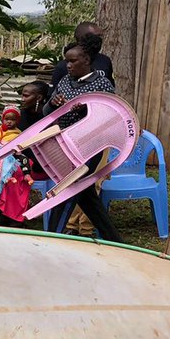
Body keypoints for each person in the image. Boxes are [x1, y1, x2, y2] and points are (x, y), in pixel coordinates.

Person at [47, 39, 124, 242]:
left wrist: (85, 109)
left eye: (73, 61)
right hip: (65, 142)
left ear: (87, 60)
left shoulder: (102, 84)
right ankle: (114, 239)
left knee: (71, 186)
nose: (68, 65)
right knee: (83, 190)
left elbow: (109, 116)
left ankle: (52, 234)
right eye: (67, 61)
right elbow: (48, 112)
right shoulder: (65, 82)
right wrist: (54, 103)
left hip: (91, 145)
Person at [49, 22, 114, 93]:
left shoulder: (105, 61)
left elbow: (110, 95)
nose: (100, 39)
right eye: (97, 36)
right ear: (83, 37)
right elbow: (53, 94)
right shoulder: (62, 70)